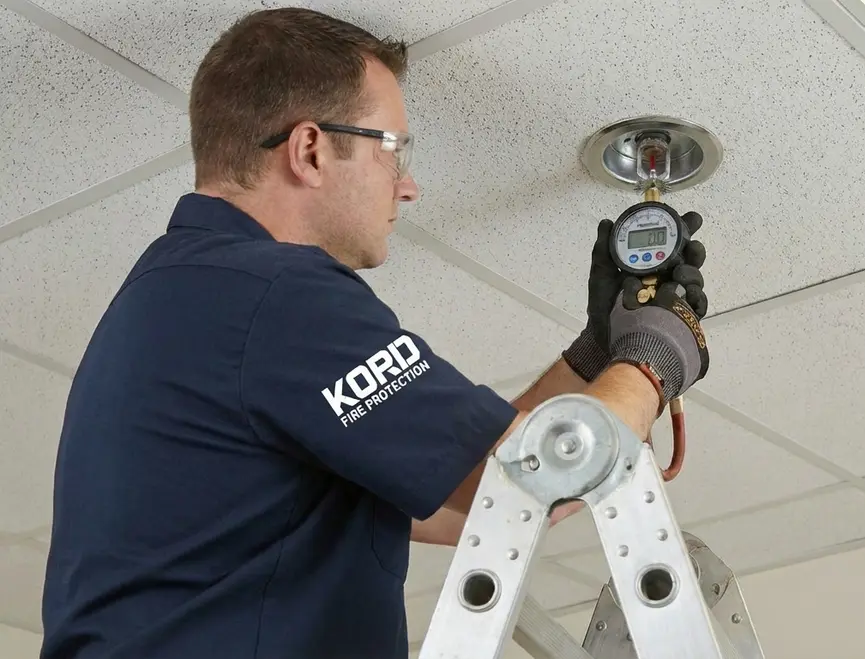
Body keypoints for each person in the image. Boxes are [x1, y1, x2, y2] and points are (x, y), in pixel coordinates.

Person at [39, 7, 710, 659]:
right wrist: (656, 354)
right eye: (394, 151)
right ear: (310, 149)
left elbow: (471, 505)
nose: (408, 186)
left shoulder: (182, 300)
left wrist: (596, 354)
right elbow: (534, 475)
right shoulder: (272, 295)